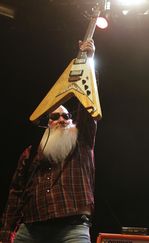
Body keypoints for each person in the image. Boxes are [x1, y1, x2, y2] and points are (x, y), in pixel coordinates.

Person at [0, 39, 97, 243]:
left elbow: (88, 107)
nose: (62, 119)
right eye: (55, 116)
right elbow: (16, 192)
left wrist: (88, 62)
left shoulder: (81, 141)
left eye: (66, 116)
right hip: (32, 228)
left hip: (72, 228)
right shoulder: (33, 150)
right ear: (47, 122)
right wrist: (6, 231)